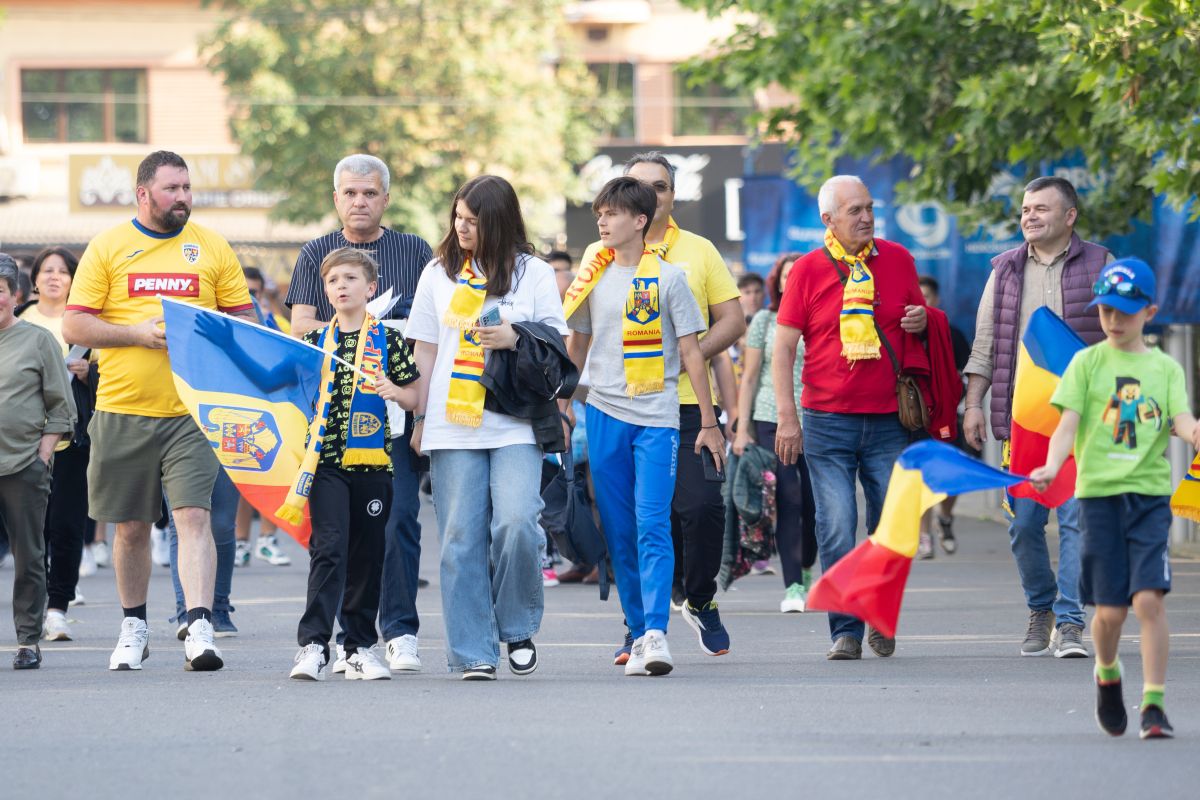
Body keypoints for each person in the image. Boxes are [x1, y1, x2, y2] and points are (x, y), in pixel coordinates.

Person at [62, 150, 257, 672]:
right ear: (143, 193)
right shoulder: (109, 247)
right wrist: (136, 335)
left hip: (193, 411)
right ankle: (134, 626)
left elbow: (245, 322)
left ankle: (198, 624)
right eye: (172, 189)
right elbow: (75, 327)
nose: (183, 198)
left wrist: (207, 334)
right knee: (129, 528)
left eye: (188, 188)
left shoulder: (211, 247)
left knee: (192, 517)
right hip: (122, 409)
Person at [581, 152, 744, 660]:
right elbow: (576, 341)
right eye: (600, 212)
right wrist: (562, 405)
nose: (604, 220)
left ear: (646, 212)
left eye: (612, 212)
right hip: (605, 410)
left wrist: (711, 417)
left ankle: (672, 618)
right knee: (624, 525)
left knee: (678, 514)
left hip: (668, 409)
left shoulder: (683, 265)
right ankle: (637, 626)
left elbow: (708, 340)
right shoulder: (594, 265)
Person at [1030, 258, 1200, 739]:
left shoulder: (1164, 368)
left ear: (1150, 311)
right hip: (1098, 499)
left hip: (1147, 498)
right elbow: (1066, 427)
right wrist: (1051, 464)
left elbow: (1179, 419)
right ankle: (1107, 672)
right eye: (1105, 310)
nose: (1112, 320)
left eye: (1124, 311)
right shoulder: (1087, 363)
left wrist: (1194, 432)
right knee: (1109, 613)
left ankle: (1153, 703)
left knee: (1148, 600)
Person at [407, 175, 567, 680]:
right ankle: (474, 651)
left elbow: (556, 342)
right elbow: (427, 348)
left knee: (517, 522)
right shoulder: (438, 273)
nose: (462, 228)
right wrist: (420, 417)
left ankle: (517, 625)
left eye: (473, 221)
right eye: (457, 218)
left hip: (514, 417)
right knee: (459, 537)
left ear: (497, 222)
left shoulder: (533, 273)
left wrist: (513, 335)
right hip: (452, 423)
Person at [286, 154, 432, 674]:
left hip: (390, 408)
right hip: (330, 423)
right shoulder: (315, 253)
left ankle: (398, 632)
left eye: (369, 193)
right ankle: (329, 641)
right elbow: (300, 326)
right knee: (332, 538)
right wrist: (352, 320)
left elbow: (432, 322)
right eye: (349, 193)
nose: (359, 201)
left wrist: (386, 327)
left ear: (385, 198)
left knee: (398, 524)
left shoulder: (414, 249)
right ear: (336, 198)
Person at [773, 175, 929, 660]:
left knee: (889, 528)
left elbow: (921, 323)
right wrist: (787, 417)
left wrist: (922, 321)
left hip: (889, 421)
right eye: (854, 211)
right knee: (837, 524)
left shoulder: (899, 259)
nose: (865, 217)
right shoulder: (808, 270)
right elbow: (782, 348)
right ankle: (846, 629)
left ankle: (880, 613)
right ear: (828, 220)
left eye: (869, 207)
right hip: (826, 420)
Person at [963, 176, 1111, 659]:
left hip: (1082, 422)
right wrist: (973, 404)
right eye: (1026, 209)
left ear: (1069, 216)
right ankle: (1040, 606)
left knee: (1076, 521)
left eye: (1041, 209)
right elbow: (985, 344)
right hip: (1023, 423)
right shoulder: (1003, 270)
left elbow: (1119, 342)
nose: (1029, 216)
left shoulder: (1099, 263)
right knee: (1025, 524)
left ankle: (1069, 622)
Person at [0, 254, 77, 668]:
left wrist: (43, 454)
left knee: (29, 556)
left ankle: (28, 640)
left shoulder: (37, 340)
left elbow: (61, 408)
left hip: (22, 467)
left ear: (14, 295)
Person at [18, 247, 95, 641]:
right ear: (32, 280)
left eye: (63, 272)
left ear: (73, 280)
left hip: (71, 439)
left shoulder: (82, 325)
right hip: (20, 442)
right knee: (28, 529)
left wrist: (88, 372)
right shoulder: (16, 321)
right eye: (46, 271)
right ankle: (29, 609)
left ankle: (57, 609)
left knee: (66, 526)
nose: (53, 277)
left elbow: (109, 380)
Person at [733, 253, 818, 613]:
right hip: (771, 418)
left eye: (798, 274)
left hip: (817, 416)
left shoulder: (822, 315)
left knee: (817, 505)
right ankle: (794, 586)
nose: (791, 280)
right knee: (789, 499)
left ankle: (806, 564)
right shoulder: (766, 321)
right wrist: (741, 427)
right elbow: (750, 376)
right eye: (786, 275)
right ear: (778, 282)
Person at [235, 265, 292, 568]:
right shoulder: (226, 322)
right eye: (242, 291)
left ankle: (267, 540)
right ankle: (240, 542)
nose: (248, 298)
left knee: (275, 475)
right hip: (238, 408)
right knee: (243, 479)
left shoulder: (276, 321)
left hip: (272, 410)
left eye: (253, 292)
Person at [915, 275, 975, 559]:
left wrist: (967, 404)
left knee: (952, 478)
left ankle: (946, 518)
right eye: (918, 296)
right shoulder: (904, 332)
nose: (923, 302)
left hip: (948, 417)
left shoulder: (952, 334)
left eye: (927, 297)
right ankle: (924, 535)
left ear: (936, 300)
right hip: (916, 420)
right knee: (921, 478)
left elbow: (967, 372)